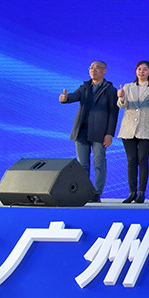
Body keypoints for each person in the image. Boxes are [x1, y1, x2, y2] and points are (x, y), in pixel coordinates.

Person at [59, 60, 119, 202]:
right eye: (91, 68)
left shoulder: (110, 90)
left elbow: (113, 113)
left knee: (99, 163)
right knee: (82, 165)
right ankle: (84, 193)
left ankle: (96, 193)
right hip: (81, 132)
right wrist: (65, 98)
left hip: (100, 132)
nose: (93, 70)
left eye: (97, 68)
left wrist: (109, 134)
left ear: (104, 71)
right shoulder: (84, 87)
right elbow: (73, 96)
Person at [116, 60, 149, 203]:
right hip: (128, 128)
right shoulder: (128, 87)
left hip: (146, 128)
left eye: (144, 69)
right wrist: (121, 97)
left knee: (142, 159)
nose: (141, 72)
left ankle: (141, 192)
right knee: (131, 160)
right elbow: (122, 106)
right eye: (139, 69)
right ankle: (132, 192)